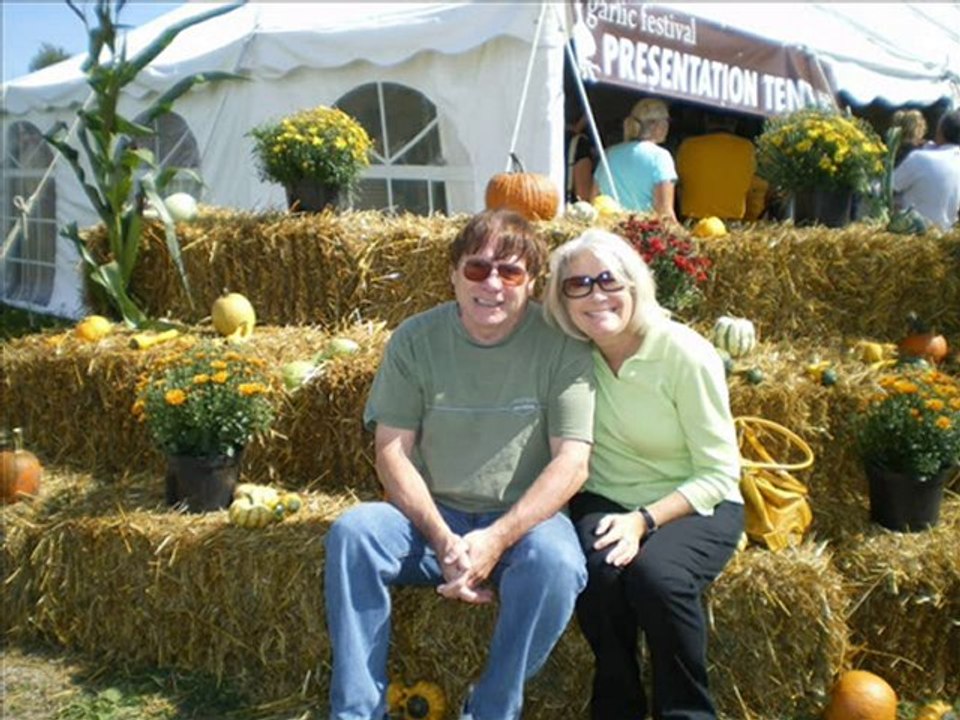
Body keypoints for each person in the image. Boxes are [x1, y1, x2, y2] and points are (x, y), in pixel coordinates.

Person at [324, 209, 596, 720]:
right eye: (476, 269)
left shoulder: (562, 344)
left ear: (532, 282)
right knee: (352, 534)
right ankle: (358, 711)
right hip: (432, 515)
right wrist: (443, 538)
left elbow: (573, 463)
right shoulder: (415, 340)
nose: (492, 283)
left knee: (558, 564)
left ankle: (492, 707)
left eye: (510, 271)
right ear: (452, 274)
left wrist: (496, 540)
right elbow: (391, 451)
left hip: (523, 523)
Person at [543, 229, 744, 720]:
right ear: (562, 301)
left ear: (635, 284)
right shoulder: (571, 355)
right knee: (598, 574)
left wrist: (644, 521)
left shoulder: (684, 353)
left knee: (658, 578)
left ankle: (688, 713)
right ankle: (618, 707)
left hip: (696, 500)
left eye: (608, 279)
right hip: (607, 496)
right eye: (578, 284)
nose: (596, 294)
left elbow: (719, 472)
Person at [594, 98, 679, 223]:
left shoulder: (608, 154)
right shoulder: (660, 157)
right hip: (640, 235)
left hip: (608, 235)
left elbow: (594, 200)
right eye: (666, 121)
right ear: (659, 126)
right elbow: (665, 214)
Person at [676, 113, 758, 221]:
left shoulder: (688, 146)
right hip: (734, 222)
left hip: (693, 221)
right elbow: (757, 189)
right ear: (734, 122)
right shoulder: (747, 148)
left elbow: (677, 185)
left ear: (706, 120)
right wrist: (750, 220)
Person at [893, 109, 960, 231]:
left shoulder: (919, 158)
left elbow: (888, 187)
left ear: (940, 131)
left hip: (911, 238)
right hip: (946, 239)